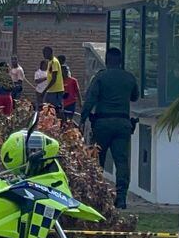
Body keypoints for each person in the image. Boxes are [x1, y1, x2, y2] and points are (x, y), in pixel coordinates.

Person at [82, 46, 139, 209]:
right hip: (123, 124)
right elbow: (135, 96)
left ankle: (98, 194)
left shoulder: (101, 77)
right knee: (121, 162)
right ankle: (121, 198)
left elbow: (90, 99)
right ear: (120, 61)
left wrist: (83, 119)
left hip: (102, 124)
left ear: (107, 60)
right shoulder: (129, 77)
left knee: (97, 159)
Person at [42, 46, 64, 111]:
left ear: (50, 52)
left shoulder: (54, 62)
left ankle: (63, 120)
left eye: (45, 53)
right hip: (51, 90)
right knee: (47, 108)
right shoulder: (50, 62)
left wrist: (44, 90)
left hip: (56, 90)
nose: (43, 55)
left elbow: (54, 79)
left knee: (56, 109)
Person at [59, 55, 81, 122]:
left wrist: (80, 102)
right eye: (62, 71)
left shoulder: (73, 80)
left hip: (71, 103)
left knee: (69, 120)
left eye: (66, 70)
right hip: (61, 103)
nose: (64, 72)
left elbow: (77, 91)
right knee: (62, 120)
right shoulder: (59, 81)